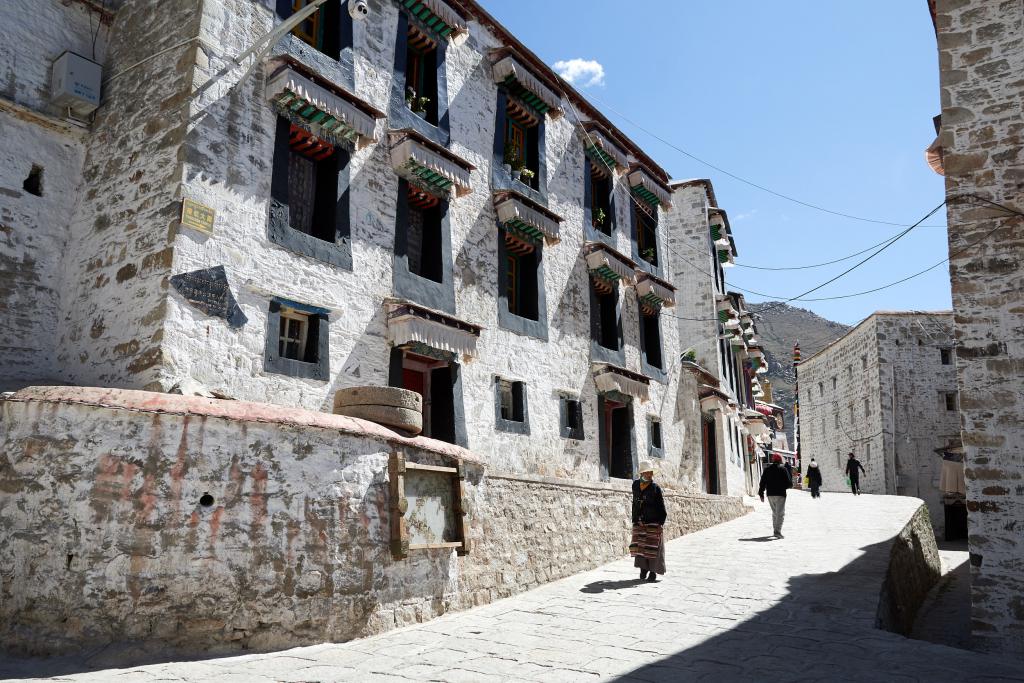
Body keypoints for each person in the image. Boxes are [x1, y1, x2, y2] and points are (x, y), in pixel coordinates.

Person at [630, 460, 667, 582]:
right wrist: (636, 519)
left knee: (652, 548)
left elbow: (661, 507)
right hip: (639, 522)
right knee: (641, 547)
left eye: (651, 472)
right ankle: (643, 569)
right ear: (642, 473)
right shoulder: (635, 485)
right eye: (647, 472)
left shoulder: (655, 488)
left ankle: (652, 572)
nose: (649, 475)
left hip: (653, 522)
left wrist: (661, 523)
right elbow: (635, 503)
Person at [758, 453, 792, 538]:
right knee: (780, 513)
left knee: (775, 513)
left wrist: (761, 493)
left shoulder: (767, 469)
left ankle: (775, 530)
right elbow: (789, 484)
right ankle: (777, 531)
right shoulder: (783, 469)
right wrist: (783, 487)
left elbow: (762, 482)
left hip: (770, 494)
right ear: (780, 460)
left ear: (773, 460)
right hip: (780, 494)